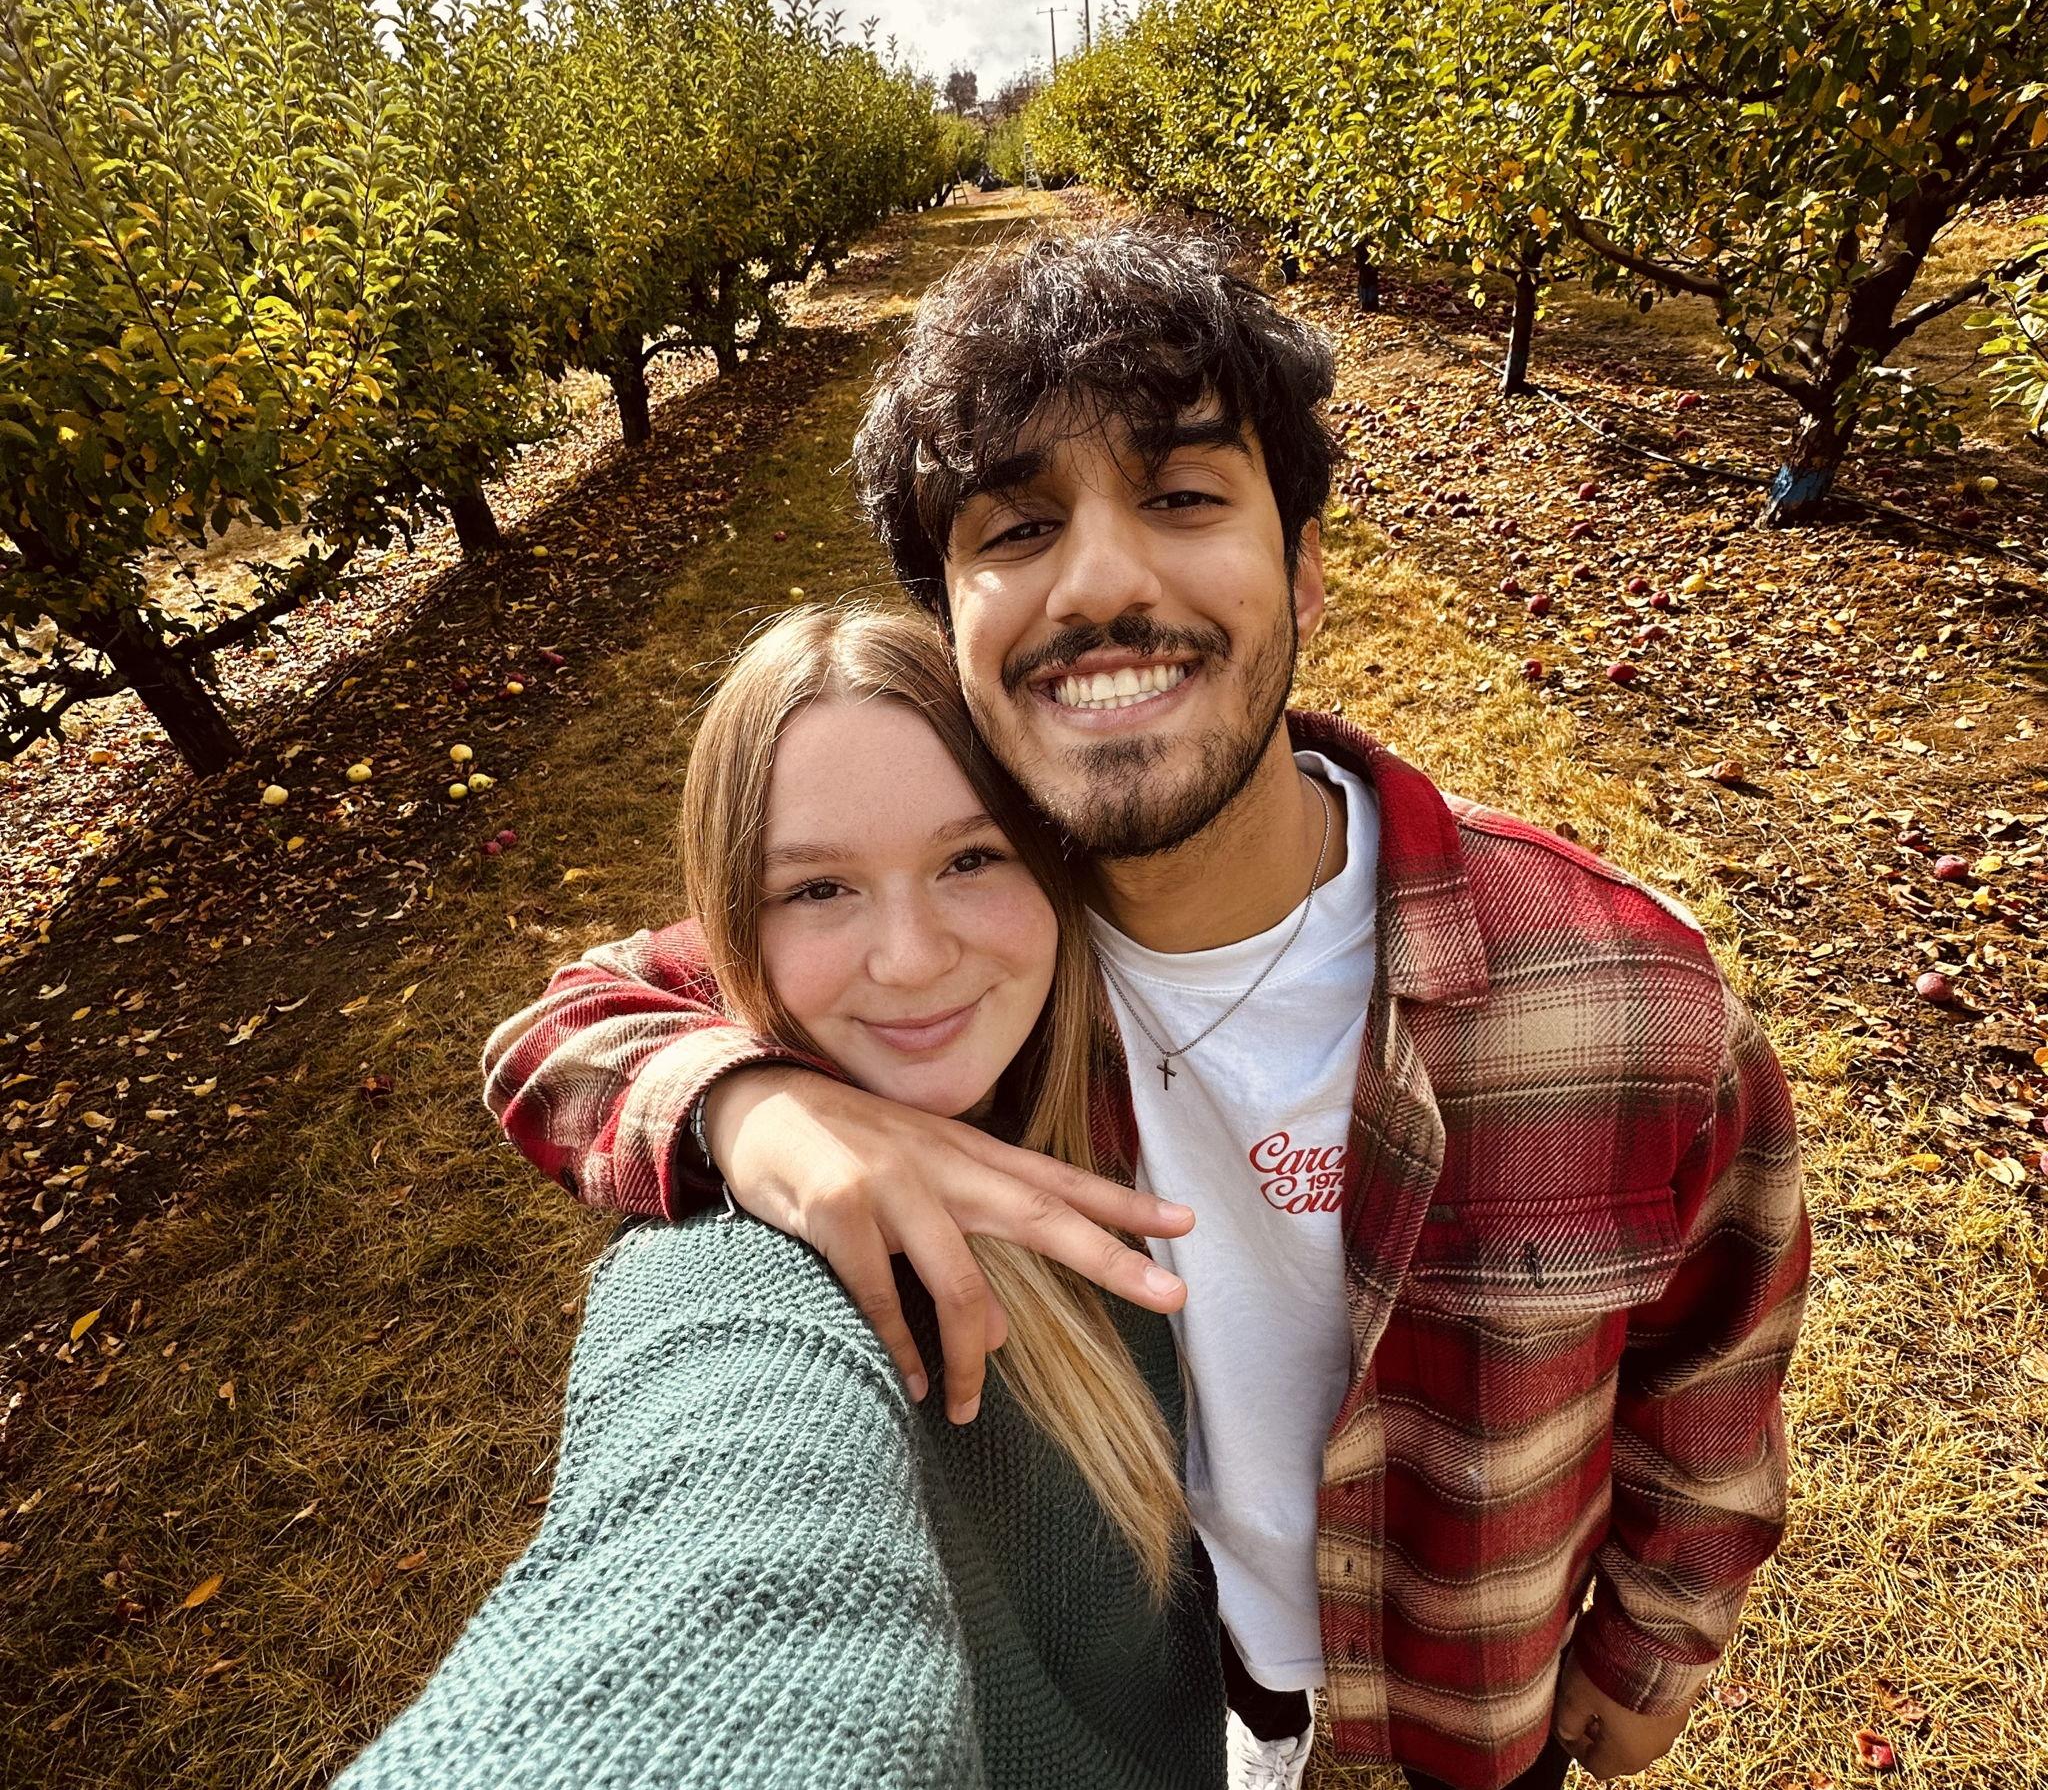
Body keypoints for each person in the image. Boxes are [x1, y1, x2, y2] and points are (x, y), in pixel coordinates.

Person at [485, 224, 1812, 1790]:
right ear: (953, 628)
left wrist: (1655, 1632)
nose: (1104, 579)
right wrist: (758, 1107)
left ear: (1306, 565)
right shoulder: (963, 956)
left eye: (1183, 494)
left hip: (1469, 1723)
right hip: (1189, 1705)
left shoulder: (1619, 997)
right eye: (1017, 526)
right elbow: (562, 1029)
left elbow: (1717, 1348)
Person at [338, 605, 1227, 1790]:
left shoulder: (1132, 1046)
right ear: (733, 914)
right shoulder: (755, 1256)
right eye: (815, 889)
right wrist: (747, 1106)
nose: (908, 956)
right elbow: (538, 1043)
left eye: (971, 858)